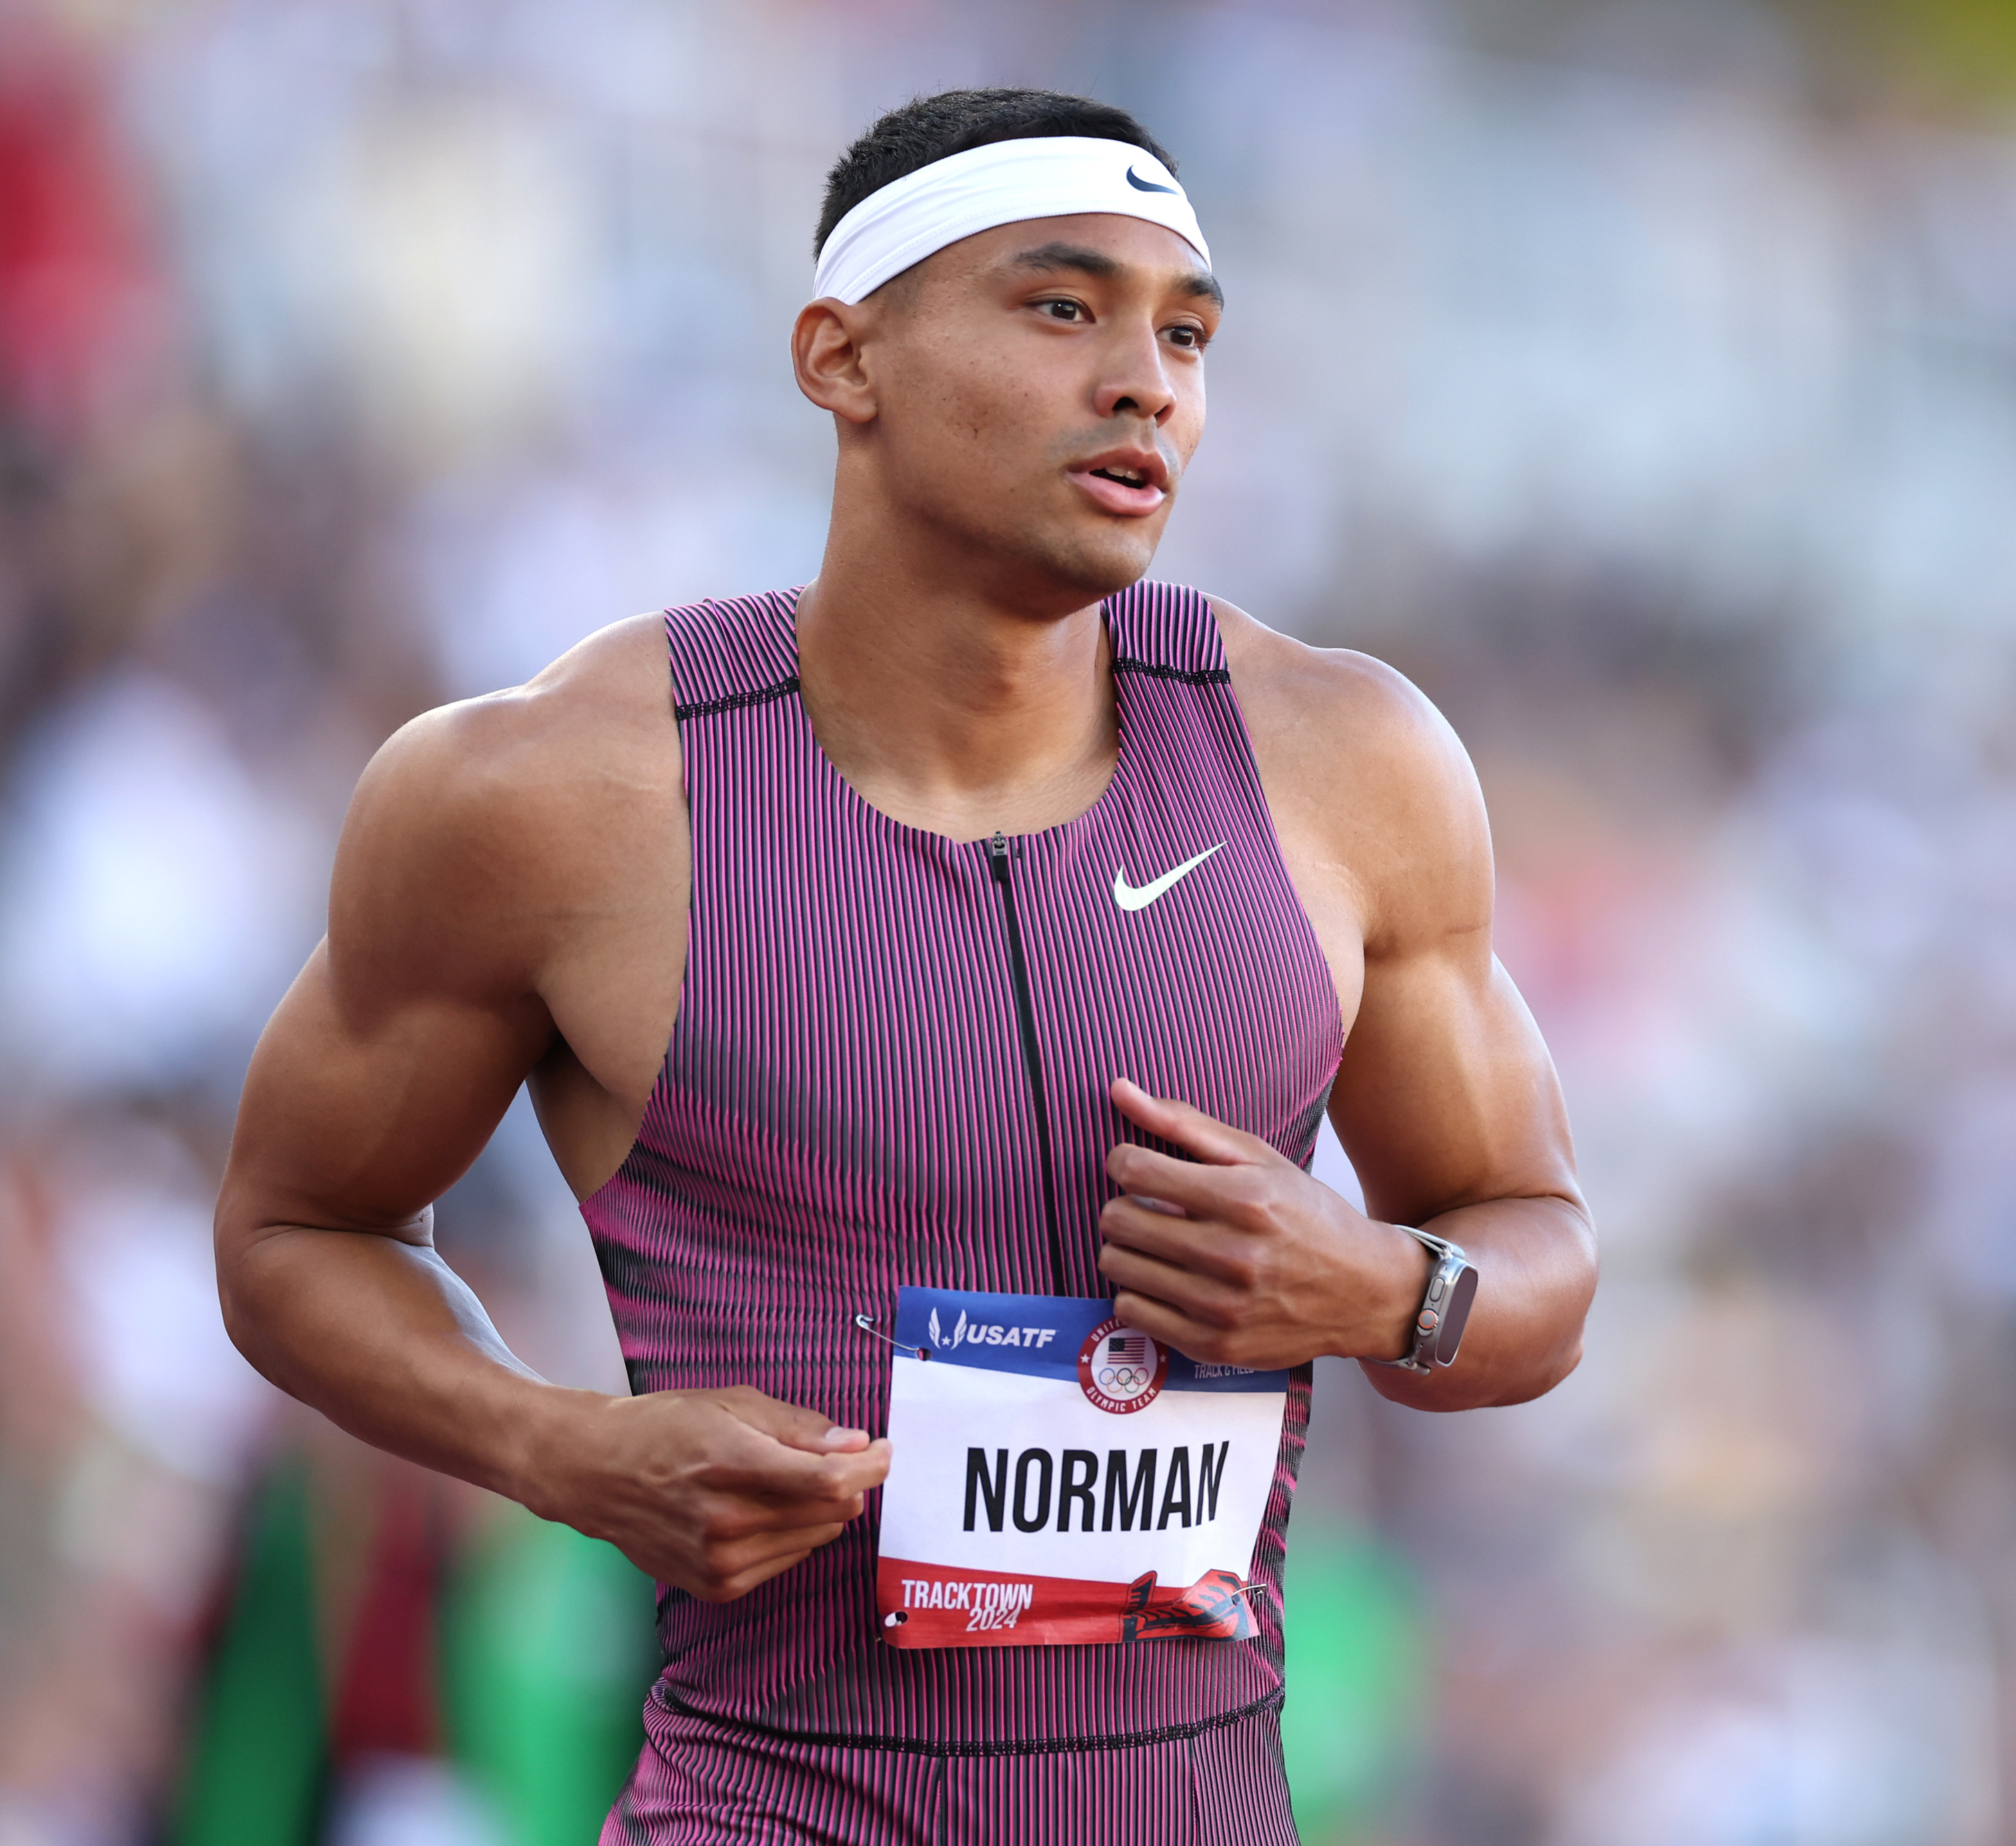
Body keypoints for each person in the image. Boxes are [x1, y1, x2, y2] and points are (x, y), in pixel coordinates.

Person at [213, 86, 1595, 1843]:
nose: (1144, 381)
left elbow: (1536, 1238)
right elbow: (286, 1231)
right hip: (764, 1799)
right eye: (1060, 306)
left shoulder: (1347, 765)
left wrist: (1389, 1290)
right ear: (839, 357)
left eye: (1184, 334)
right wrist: (556, 1449)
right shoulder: (549, 792)